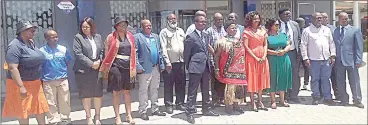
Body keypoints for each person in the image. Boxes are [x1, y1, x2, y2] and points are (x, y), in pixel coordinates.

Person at [2, 20, 48, 125]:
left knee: (39, 107)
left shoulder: (30, 42)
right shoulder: (14, 46)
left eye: (34, 30)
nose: (34, 32)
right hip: (21, 84)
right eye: (31, 30)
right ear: (22, 31)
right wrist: (21, 86)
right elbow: (13, 68)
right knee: (23, 110)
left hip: (35, 83)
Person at [99, 16, 136, 125]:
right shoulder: (111, 37)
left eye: (125, 24)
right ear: (116, 26)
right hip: (116, 66)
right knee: (116, 92)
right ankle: (117, 117)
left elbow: (133, 52)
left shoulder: (130, 36)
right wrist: (105, 68)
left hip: (128, 66)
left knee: (127, 92)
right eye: (120, 24)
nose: (123, 26)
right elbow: (107, 52)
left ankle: (129, 115)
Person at [184, 15, 219, 124]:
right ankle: (190, 112)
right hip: (195, 66)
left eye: (204, 22)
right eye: (201, 22)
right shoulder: (190, 37)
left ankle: (206, 109)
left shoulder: (206, 35)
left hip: (206, 66)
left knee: (205, 89)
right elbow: (186, 54)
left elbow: (207, 49)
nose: (203, 24)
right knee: (192, 91)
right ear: (195, 23)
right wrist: (188, 66)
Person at [73, 17, 104, 124]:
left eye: (87, 27)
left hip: (97, 69)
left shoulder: (98, 37)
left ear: (92, 27)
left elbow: (102, 51)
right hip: (83, 70)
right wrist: (91, 64)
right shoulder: (78, 37)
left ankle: (97, 117)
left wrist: (99, 61)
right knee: (86, 94)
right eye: (83, 27)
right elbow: (78, 54)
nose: (85, 29)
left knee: (97, 94)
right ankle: (88, 117)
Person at [300, 12, 336, 106]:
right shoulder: (307, 31)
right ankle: (316, 97)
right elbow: (303, 45)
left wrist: (332, 55)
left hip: (326, 59)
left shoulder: (326, 30)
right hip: (313, 59)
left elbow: (331, 43)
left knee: (326, 79)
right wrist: (305, 58)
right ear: (312, 19)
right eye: (317, 18)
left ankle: (327, 97)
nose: (319, 20)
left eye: (320, 18)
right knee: (315, 79)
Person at [135, 19, 166, 120]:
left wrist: (161, 64)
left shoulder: (155, 37)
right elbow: (135, 53)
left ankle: (155, 109)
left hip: (155, 67)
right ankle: (143, 110)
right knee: (143, 90)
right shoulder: (138, 37)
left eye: (150, 25)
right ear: (142, 27)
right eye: (146, 26)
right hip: (144, 69)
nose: (149, 27)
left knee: (155, 89)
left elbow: (159, 51)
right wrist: (138, 66)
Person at [214, 22, 247, 115]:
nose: (234, 29)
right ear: (226, 29)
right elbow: (217, 56)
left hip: (239, 69)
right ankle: (228, 106)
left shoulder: (238, 40)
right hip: (228, 69)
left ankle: (236, 105)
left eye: (235, 28)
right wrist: (216, 69)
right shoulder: (222, 41)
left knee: (239, 87)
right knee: (230, 88)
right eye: (232, 28)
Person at [40, 29, 72, 124]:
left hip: (62, 79)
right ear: (46, 38)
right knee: (50, 102)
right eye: (52, 37)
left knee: (65, 100)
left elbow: (67, 61)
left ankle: (65, 118)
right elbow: (40, 66)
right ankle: (53, 120)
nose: (55, 39)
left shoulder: (63, 49)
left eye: (56, 37)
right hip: (48, 80)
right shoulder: (41, 51)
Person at [333, 12, 364, 108]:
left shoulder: (355, 30)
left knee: (354, 81)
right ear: (338, 19)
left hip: (352, 61)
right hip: (339, 61)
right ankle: (344, 99)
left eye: (346, 18)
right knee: (340, 81)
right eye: (342, 18)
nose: (344, 20)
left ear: (348, 19)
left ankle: (357, 100)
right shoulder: (335, 31)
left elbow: (359, 47)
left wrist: (359, 60)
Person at [242, 11, 270, 112]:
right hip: (251, 58)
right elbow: (246, 46)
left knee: (261, 78)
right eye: (254, 19)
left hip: (262, 57)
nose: (256, 20)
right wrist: (255, 57)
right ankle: (252, 101)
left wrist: (264, 55)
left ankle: (260, 100)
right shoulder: (246, 31)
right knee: (252, 79)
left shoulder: (263, 31)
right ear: (250, 20)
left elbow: (265, 44)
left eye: (258, 18)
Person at [159, 13, 186, 114]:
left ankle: (180, 103)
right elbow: (163, 48)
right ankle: (169, 105)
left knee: (181, 84)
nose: (173, 20)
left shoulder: (180, 31)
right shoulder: (164, 32)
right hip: (170, 63)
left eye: (174, 18)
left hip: (181, 62)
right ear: (167, 21)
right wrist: (167, 61)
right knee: (169, 85)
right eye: (171, 19)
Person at [265, 18, 292, 109]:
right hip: (272, 59)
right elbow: (264, 49)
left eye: (278, 25)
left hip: (284, 58)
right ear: (270, 26)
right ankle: (273, 100)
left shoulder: (283, 35)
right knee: (272, 79)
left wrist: (284, 51)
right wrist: (275, 53)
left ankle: (282, 100)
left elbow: (288, 44)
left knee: (282, 78)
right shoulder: (266, 36)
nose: (278, 26)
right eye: (276, 25)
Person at [278, 8, 301, 103]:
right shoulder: (276, 25)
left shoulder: (295, 24)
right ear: (280, 15)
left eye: (289, 14)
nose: (288, 16)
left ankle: (294, 95)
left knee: (295, 74)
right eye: (286, 14)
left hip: (293, 52)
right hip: (281, 52)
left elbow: (298, 38)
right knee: (284, 74)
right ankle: (285, 95)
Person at [206, 12, 227, 107]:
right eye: (218, 19)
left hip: (223, 60)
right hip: (213, 59)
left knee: (222, 80)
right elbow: (207, 44)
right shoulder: (209, 31)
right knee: (214, 80)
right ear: (214, 20)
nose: (220, 21)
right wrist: (215, 55)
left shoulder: (224, 30)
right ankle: (214, 99)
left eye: (221, 19)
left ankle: (222, 98)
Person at [321, 12, 339, 100]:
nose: (324, 19)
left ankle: (337, 94)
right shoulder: (316, 28)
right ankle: (323, 95)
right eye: (322, 17)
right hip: (322, 58)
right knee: (323, 77)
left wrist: (333, 55)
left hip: (332, 56)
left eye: (326, 17)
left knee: (334, 76)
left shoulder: (333, 29)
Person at [295, 17, 310, 90]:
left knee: (307, 68)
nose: (301, 24)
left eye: (303, 23)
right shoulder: (295, 30)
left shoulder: (306, 31)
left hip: (305, 52)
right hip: (297, 52)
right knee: (296, 68)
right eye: (300, 23)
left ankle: (306, 83)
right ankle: (297, 84)